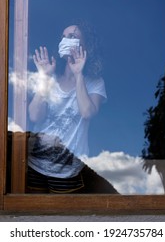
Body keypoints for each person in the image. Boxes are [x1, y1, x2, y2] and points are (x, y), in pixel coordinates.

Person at [27, 21, 118, 194]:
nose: (65, 40)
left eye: (72, 37)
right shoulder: (52, 78)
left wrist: (78, 74)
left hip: (67, 171)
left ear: (85, 45)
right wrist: (44, 77)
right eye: (63, 37)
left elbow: (87, 112)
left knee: (62, 218)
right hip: (36, 164)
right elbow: (34, 116)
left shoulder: (95, 83)